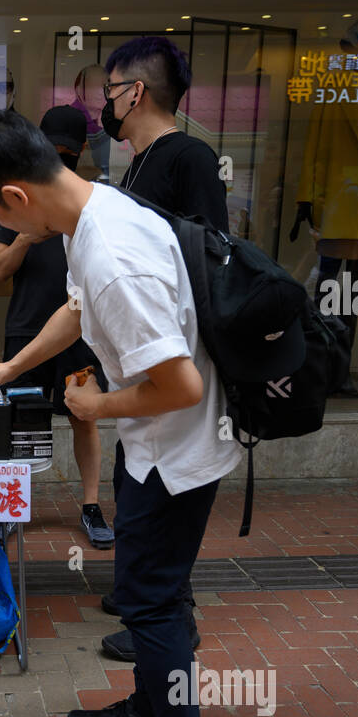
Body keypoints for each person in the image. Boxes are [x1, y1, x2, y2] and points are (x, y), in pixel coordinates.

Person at [0, 109, 239, 717]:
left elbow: (183, 385)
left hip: (176, 453)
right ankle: (149, 712)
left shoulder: (113, 252)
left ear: (17, 197)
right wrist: (14, 364)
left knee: (151, 603)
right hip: (150, 445)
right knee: (153, 593)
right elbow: (78, 313)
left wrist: (95, 410)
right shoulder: (93, 212)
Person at [98, 35, 229, 662]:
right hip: (147, 393)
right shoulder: (138, 161)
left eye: (109, 88)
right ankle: (150, 611)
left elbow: (209, 263)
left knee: (165, 515)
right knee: (137, 504)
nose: (105, 101)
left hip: (178, 381)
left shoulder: (189, 159)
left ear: (134, 92)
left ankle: (169, 625)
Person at [0, 106, 113, 549]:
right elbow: (0, 269)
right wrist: (25, 235)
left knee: (85, 414)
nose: (62, 156)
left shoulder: (95, 197)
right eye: (53, 148)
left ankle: (92, 505)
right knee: (18, 421)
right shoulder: (16, 196)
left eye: (69, 149)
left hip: (81, 330)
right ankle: (9, 506)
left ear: (82, 148)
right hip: (26, 328)